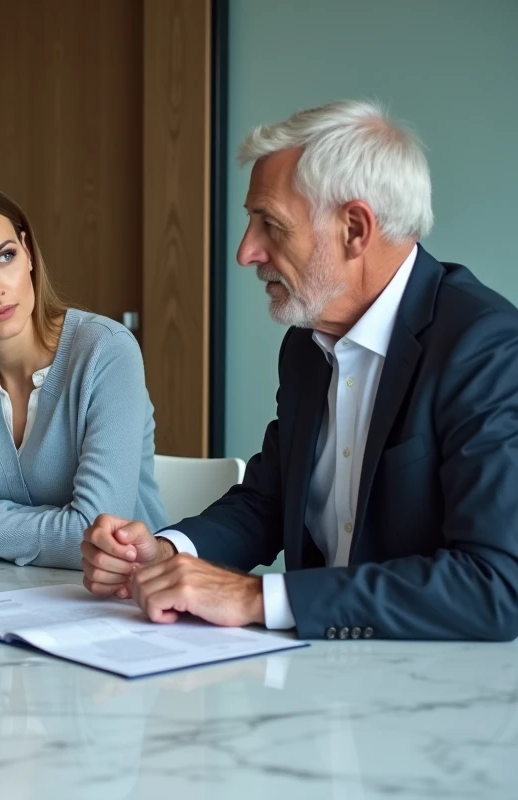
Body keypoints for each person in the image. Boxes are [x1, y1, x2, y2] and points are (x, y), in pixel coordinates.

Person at [81, 99, 518, 642]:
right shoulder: (306, 345)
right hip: (312, 678)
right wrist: (167, 554)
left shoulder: (487, 347)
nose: (246, 251)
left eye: (270, 224)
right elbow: (270, 501)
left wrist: (253, 597)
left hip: (430, 697)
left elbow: (495, 585)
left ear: (355, 228)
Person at [0, 178, 168, 568]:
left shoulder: (106, 350)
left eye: (4, 256)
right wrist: (60, 528)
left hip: (126, 599)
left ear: (27, 253)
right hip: (3, 596)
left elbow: (99, 536)